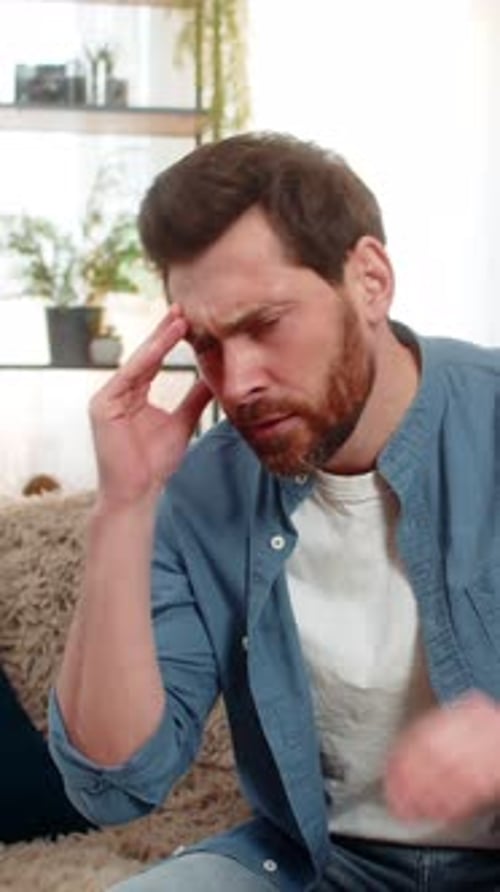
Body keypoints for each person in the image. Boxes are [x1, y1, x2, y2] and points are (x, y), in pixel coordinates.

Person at [48, 132, 500, 891]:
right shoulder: (199, 488)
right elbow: (117, 781)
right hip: (315, 865)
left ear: (369, 280)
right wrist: (124, 510)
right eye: (207, 344)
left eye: (264, 324)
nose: (238, 381)